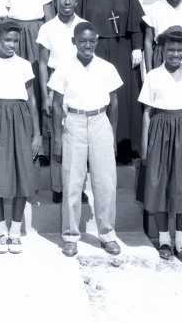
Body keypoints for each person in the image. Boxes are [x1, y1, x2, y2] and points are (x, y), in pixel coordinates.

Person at [137, 26, 182, 264]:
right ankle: (164, 240)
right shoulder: (153, 76)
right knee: (159, 186)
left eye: (180, 50)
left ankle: (181, 242)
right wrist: (144, 143)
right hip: (161, 131)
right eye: (171, 49)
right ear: (162, 49)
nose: (175, 54)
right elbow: (147, 112)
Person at [49, 22, 123, 257]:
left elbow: (115, 103)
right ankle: (70, 235)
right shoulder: (64, 68)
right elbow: (56, 104)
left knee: (105, 183)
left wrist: (112, 133)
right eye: (82, 41)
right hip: (74, 122)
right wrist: (58, 140)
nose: (87, 45)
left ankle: (107, 234)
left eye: (91, 41)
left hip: (101, 122)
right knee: (72, 182)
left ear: (97, 41)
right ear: (74, 42)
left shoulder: (107, 68)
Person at [0, 20, 42, 254]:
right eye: (7, 40)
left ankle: (15, 230)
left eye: (15, 40)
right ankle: (1, 230)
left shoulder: (24, 65)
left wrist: (37, 134)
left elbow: (32, 100)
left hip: (20, 120)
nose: (12, 44)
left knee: (22, 175)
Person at [76, 0, 145, 161]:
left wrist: (136, 47)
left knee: (122, 96)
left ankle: (124, 147)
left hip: (122, 49)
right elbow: (76, 24)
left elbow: (135, 21)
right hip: (93, 50)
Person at [37, 0, 86, 202]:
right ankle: (57, 187)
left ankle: (78, 187)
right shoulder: (48, 28)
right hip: (55, 82)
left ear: (76, 1)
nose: (67, 2)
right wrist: (45, 94)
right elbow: (42, 63)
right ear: (56, 1)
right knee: (56, 136)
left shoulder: (83, 26)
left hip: (78, 82)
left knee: (78, 136)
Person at [0, 0, 54, 127]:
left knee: (39, 82)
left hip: (38, 34)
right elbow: (3, 20)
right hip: (15, 36)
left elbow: (50, 21)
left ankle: (41, 136)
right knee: (17, 81)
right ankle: (20, 130)